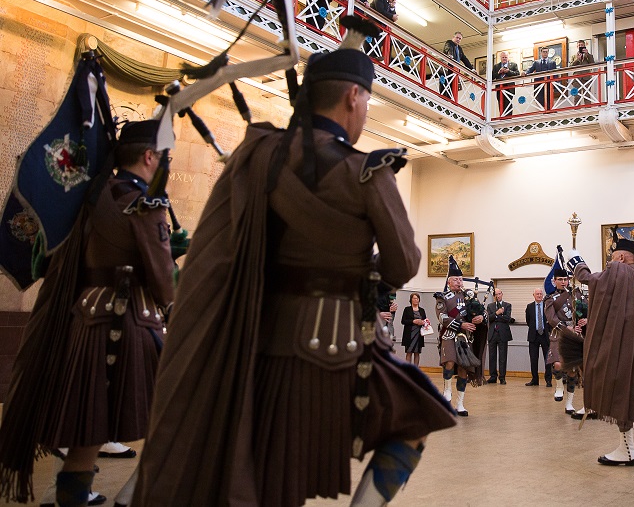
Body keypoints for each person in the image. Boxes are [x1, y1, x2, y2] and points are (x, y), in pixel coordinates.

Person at [135, 41, 456, 506]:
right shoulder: (367, 171)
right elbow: (403, 265)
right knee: (414, 419)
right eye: (366, 99)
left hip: (258, 336)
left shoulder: (260, 157)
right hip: (341, 345)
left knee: (274, 472)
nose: (365, 109)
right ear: (352, 97)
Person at [0, 120, 175, 507]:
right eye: (163, 157)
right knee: (180, 407)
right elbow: (163, 279)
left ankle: (71, 495)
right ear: (149, 157)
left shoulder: (93, 198)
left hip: (85, 317)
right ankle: (137, 495)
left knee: (90, 419)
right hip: (132, 321)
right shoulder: (148, 204)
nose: (165, 164)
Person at [566, 237, 634, 466]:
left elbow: (590, 280)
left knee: (619, 393)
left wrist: (577, 262)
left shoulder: (621, 271)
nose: (609, 263)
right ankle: (627, 449)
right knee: (626, 396)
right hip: (633, 344)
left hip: (622, 345)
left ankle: (627, 450)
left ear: (621, 258)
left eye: (611, 258)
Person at [435, 257, 485, 416]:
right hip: (450, 334)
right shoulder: (442, 297)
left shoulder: (469, 296)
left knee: (464, 368)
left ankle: (460, 404)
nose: (459, 282)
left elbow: (481, 312)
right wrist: (460, 324)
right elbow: (441, 317)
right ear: (449, 282)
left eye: (461, 279)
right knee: (449, 362)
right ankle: (447, 390)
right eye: (456, 279)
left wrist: (480, 318)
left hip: (466, 337)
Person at [544, 266, 585, 414]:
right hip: (559, 335)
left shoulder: (576, 294)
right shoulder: (550, 298)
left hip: (575, 336)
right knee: (557, 364)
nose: (563, 282)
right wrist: (566, 328)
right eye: (560, 279)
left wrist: (584, 320)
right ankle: (559, 386)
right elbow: (551, 318)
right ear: (554, 281)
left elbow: (586, 309)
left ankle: (569, 403)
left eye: (565, 279)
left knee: (573, 371)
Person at [524, 287, 552, 387]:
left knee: (548, 359)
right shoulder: (529, 307)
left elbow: (551, 319)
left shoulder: (547, 306)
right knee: (533, 359)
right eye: (537, 294)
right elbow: (528, 321)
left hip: (545, 335)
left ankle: (548, 380)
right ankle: (534, 380)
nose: (539, 295)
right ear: (534, 295)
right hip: (533, 336)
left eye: (540, 294)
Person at [486, 288, 514, 384]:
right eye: (496, 294)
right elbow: (489, 318)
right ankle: (493, 376)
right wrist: (497, 314)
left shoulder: (507, 305)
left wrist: (497, 317)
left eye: (499, 294)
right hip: (492, 334)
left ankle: (502, 377)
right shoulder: (490, 306)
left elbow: (507, 318)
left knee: (503, 357)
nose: (498, 296)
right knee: (492, 356)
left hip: (503, 334)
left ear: (502, 294)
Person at [438, 32, 473, 102]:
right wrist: (450, 55)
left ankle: (449, 100)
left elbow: (464, 59)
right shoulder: (449, 43)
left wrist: (472, 69)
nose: (458, 40)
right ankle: (443, 99)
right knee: (445, 85)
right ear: (453, 37)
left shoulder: (459, 48)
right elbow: (448, 48)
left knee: (452, 88)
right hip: (447, 69)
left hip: (455, 71)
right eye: (457, 37)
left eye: (460, 39)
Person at [401, 292, 427, 366]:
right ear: (411, 300)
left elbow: (425, 321)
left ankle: (416, 369)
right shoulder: (407, 309)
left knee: (417, 353)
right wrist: (413, 321)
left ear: (419, 300)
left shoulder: (422, 310)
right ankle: (408, 370)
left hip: (419, 333)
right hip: (409, 333)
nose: (416, 300)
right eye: (414, 298)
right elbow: (403, 321)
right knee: (409, 352)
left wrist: (422, 322)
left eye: (417, 298)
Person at [491, 50, 519, 116]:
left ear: (508, 57)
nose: (504, 59)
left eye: (505, 57)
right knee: (500, 104)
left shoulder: (513, 65)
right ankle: (501, 118)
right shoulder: (496, 66)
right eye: (503, 57)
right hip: (499, 88)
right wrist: (498, 73)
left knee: (508, 104)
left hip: (509, 88)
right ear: (500, 57)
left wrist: (508, 71)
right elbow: (492, 77)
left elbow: (517, 74)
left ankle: (508, 119)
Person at [569, 40, 595, 105]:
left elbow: (593, 64)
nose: (581, 46)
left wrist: (587, 54)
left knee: (587, 96)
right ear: (577, 46)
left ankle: (588, 113)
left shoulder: (589, 55)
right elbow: (570, 67)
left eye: (582, 45)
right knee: (577, 96)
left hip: (587, 78)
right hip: (577, 79)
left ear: (584, 46)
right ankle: (578, 113)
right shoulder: (573, 56)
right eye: (579, 45)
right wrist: (577, 59)